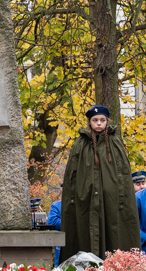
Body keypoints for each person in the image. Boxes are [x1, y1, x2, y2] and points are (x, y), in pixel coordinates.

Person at [60, 105, 140, 258]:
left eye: (102, 120)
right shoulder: (80, 144)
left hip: (112, 200)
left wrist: (118, 195)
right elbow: (72, 176)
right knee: (85, 234)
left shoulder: (115, 143)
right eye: (95, 120)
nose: (98, 123)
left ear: (107, 121)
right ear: (89, 122)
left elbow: (123, 175)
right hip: (86, 200)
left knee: (114, 235)